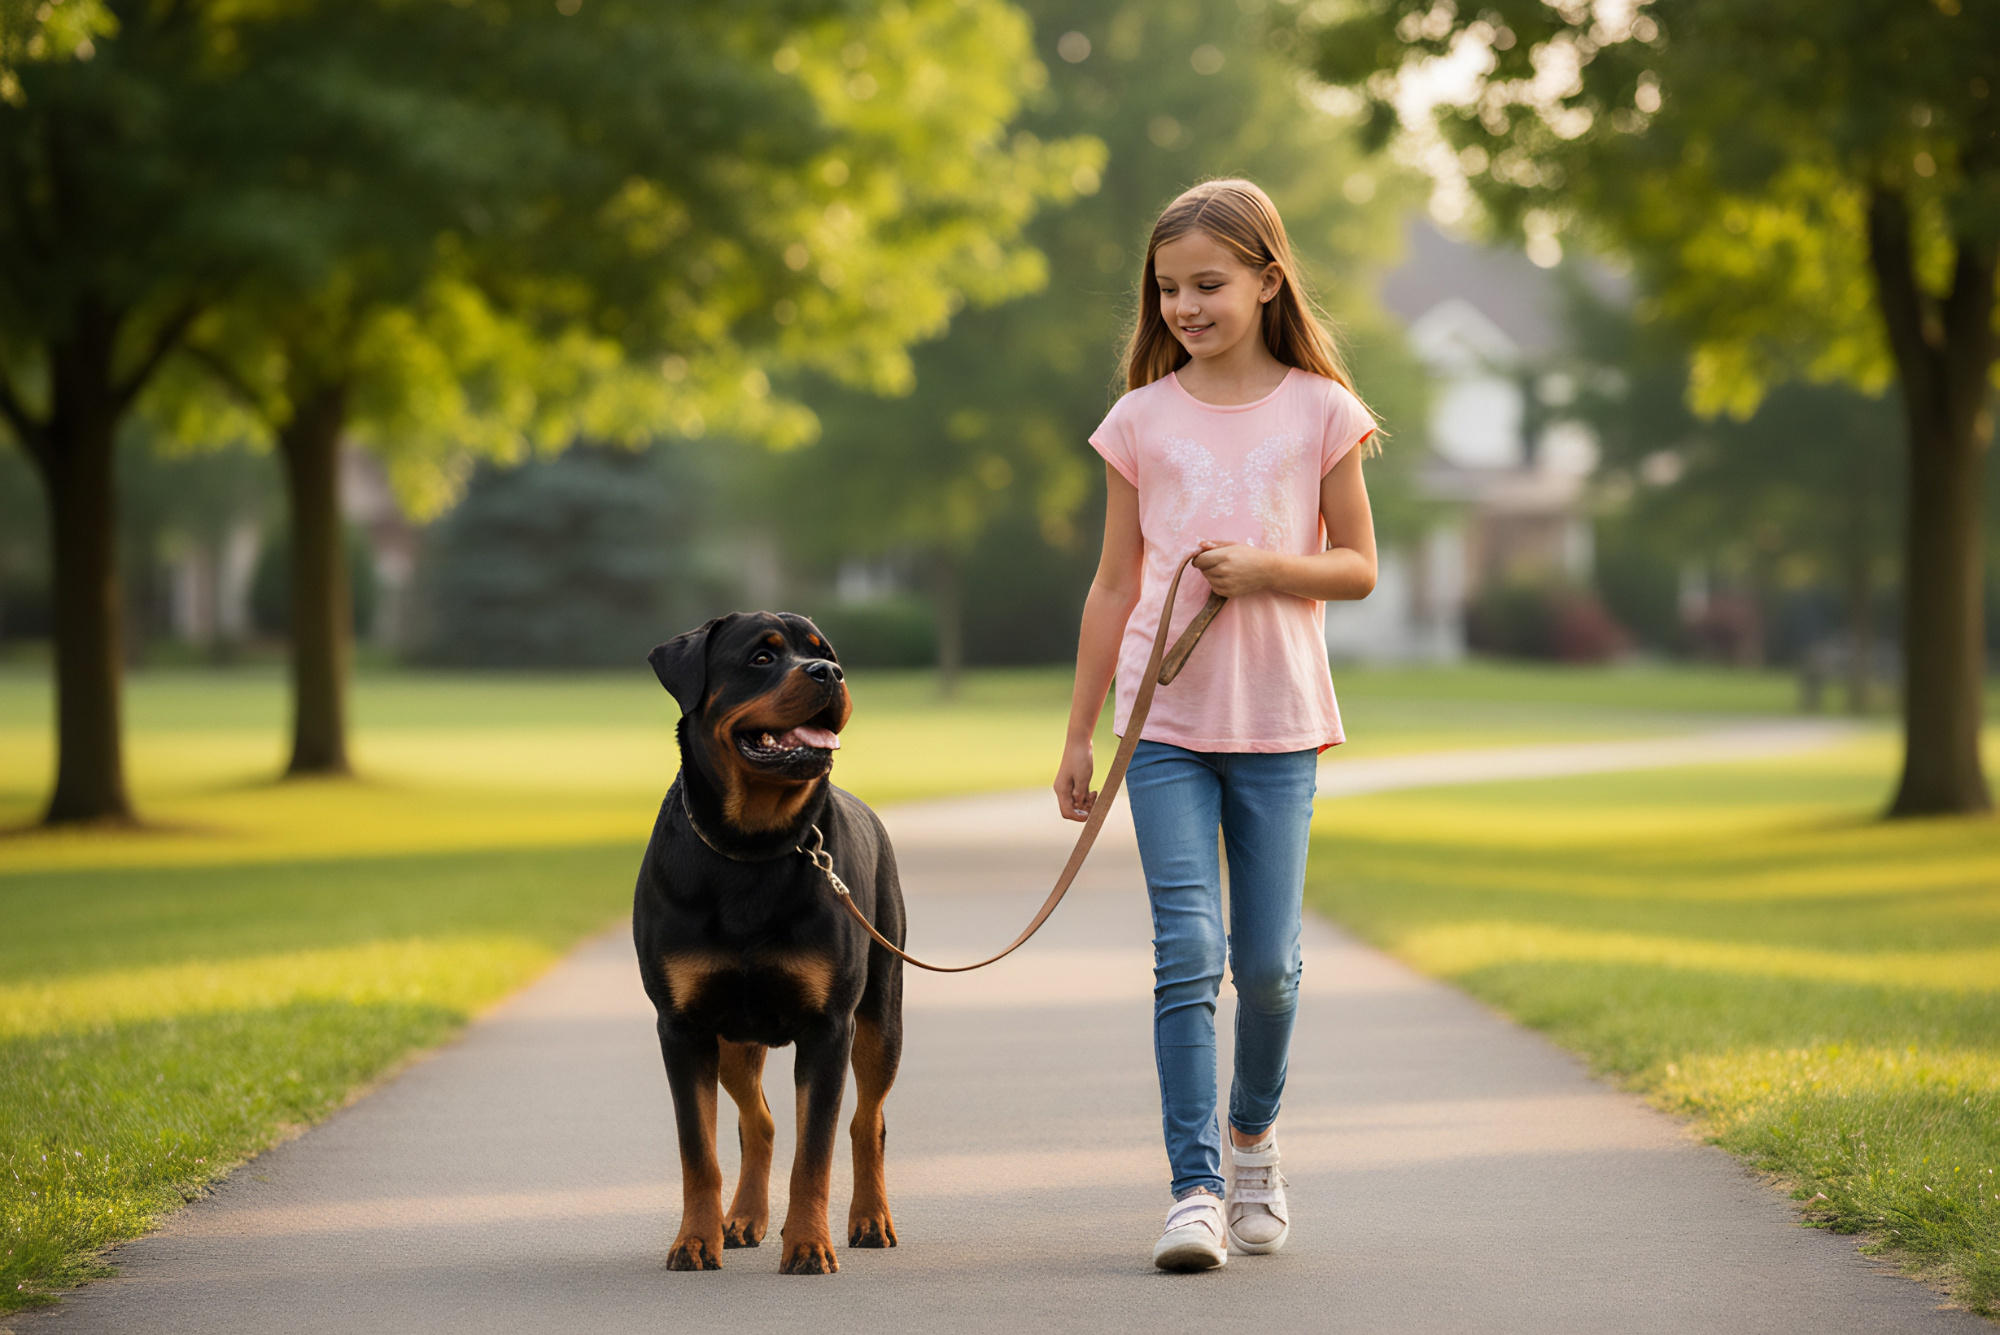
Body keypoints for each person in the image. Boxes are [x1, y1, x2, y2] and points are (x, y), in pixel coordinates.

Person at [1053, 179, 1379, 1272]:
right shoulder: (1138, 419)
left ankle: (1251, 1146)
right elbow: (1110, 586)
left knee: (1270, 967)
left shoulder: (1321, 409)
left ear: (1266, 280)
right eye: (1167, 288)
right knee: (1185, 953)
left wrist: (1266, 568)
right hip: (1164, 725)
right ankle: (1192, 1190)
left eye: (1207, 284)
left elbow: (1358, 567)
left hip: (1278, 721)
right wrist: (1077, 734)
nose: (1184, 305)